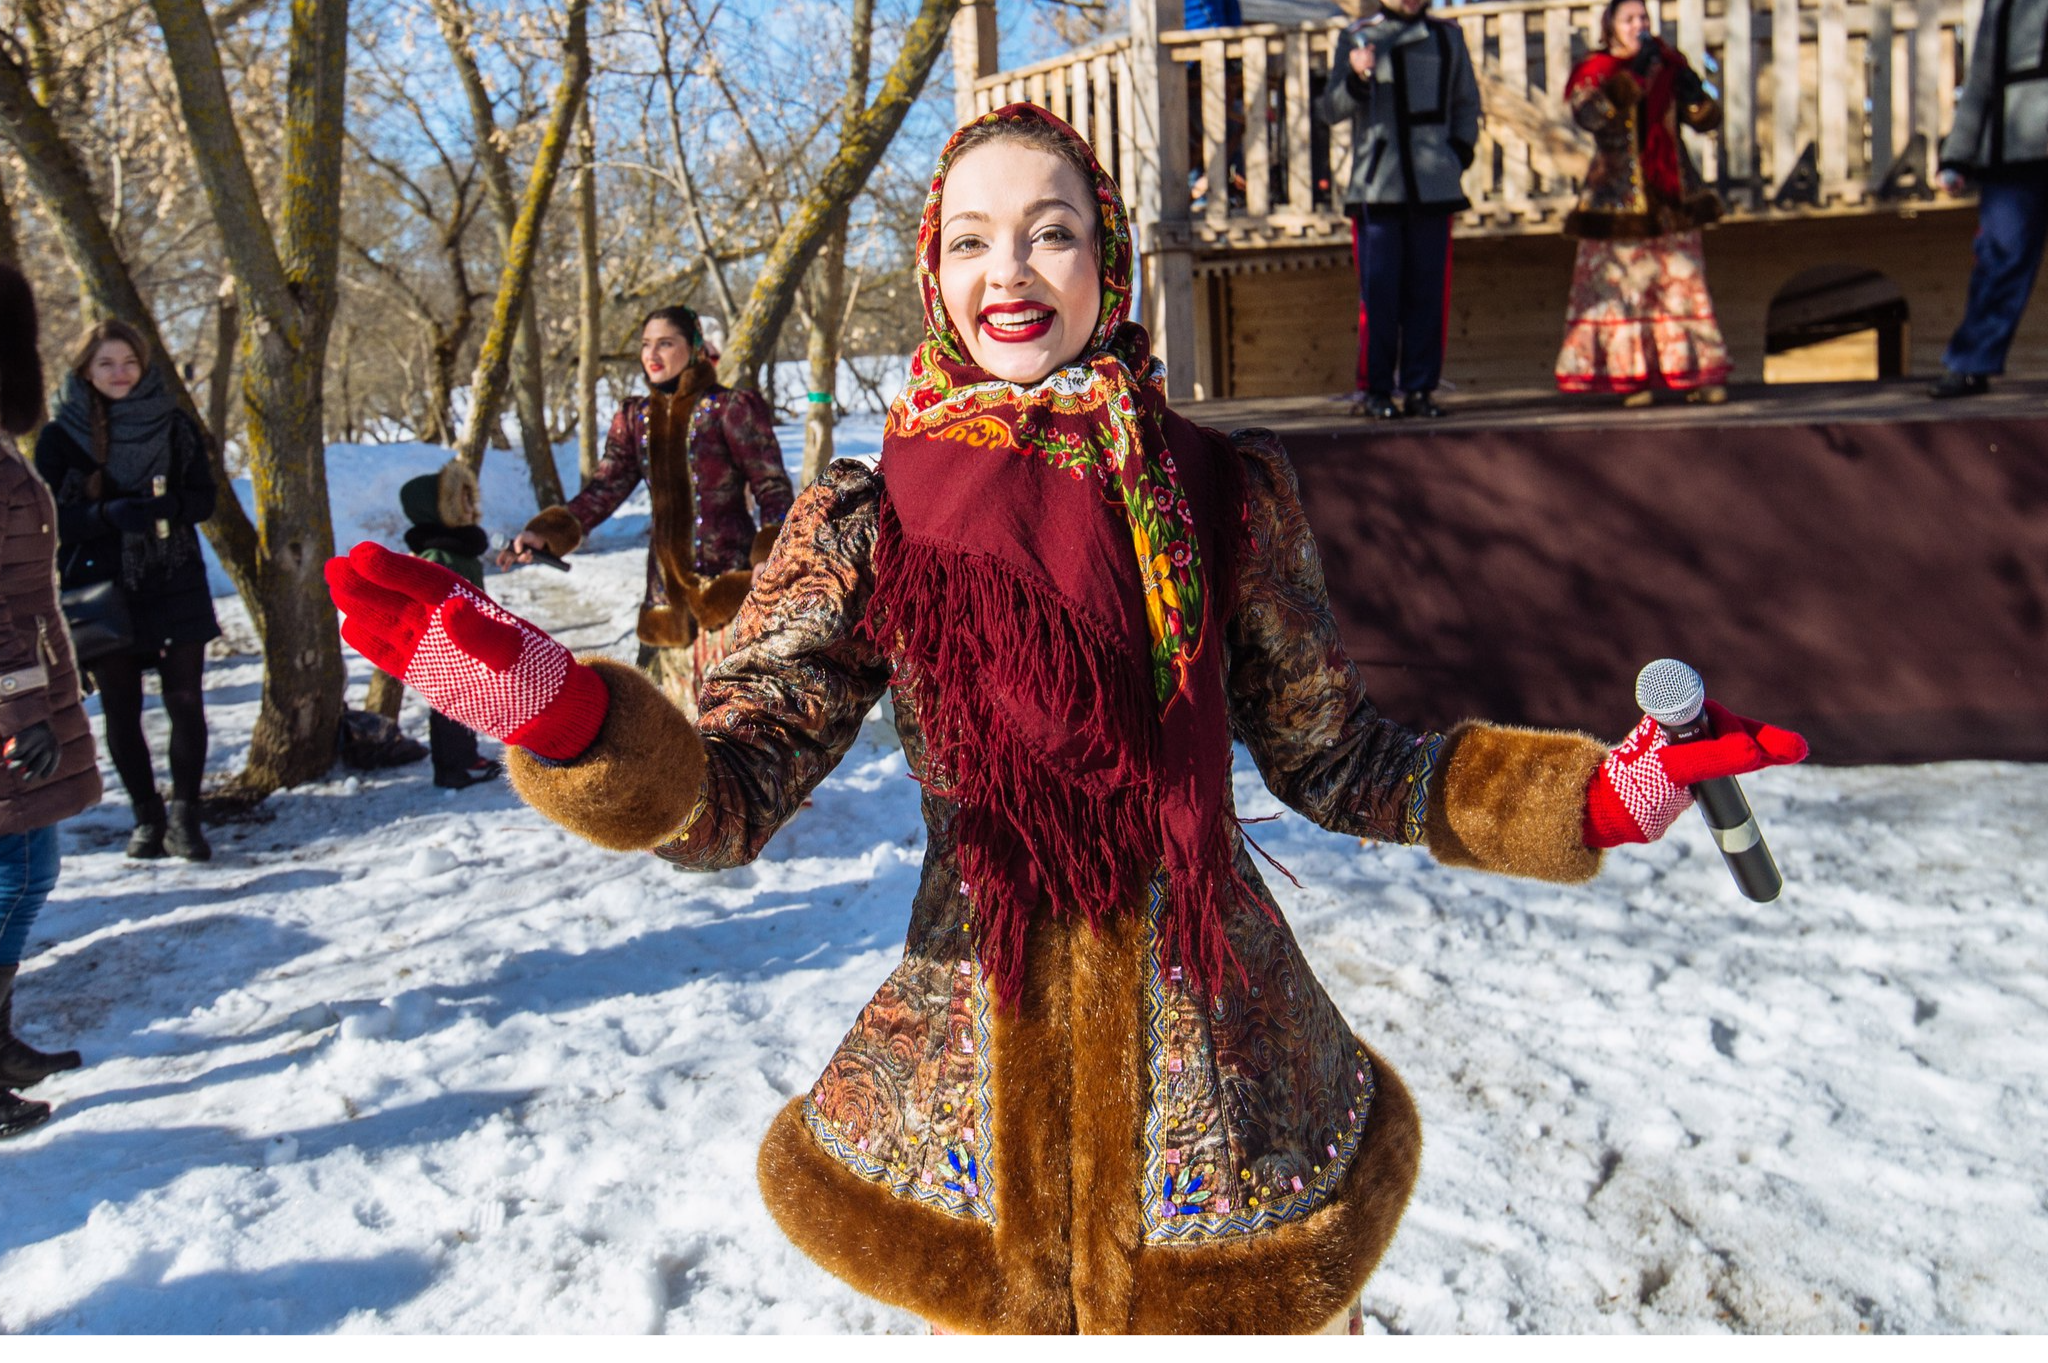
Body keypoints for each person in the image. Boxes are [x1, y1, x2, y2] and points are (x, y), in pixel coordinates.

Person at [328, 105, 1808, 1335]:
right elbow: (726, 795)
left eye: (1050, 231)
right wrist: (553, 706)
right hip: (979, 1069)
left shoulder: (1219, 487)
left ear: (1107, 257)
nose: (1010, 271)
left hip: (1217, 1077)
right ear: (931, 272)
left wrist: (1588, 799)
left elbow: (1337, 755)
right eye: (971, 239)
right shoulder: (869, 515)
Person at [498, 305, 792, 719]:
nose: (652, 354)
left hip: (730, 597)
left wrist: (769, 556)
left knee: (739, 732)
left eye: (665, 343)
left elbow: (772, 488)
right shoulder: (635, 417)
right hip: (666, 606)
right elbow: (604, 489)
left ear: (694, 348)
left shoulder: (730, 408)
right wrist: (547, 533)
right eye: (646, 344)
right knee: (671, 742)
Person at [35, 320, 219, 861]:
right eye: (107, 364)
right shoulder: (60, 434)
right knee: (121, 705)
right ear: (85, 370)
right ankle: (146, 817)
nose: (120, 373)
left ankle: (185, 818)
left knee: (185, 698)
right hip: (101, 586)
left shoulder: (173, 424)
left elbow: (204, 497)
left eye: (129, 362)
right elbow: (47, 519)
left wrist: (171, 507)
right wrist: (105, 514)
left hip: (174, 574)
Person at [0, 262, 103, 1139]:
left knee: (29, 867)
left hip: (30, 684)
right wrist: (18, 712)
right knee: (20, 873)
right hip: (10, 706)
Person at [1553, 0, 1730, 406]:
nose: (1638, 26)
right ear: (1611, 27)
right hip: (1617, 197)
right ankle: (1631, 378)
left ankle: (1696, 373)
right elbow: (1591, 117)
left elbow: (1705, 121)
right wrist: (1632, 77)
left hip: (1670, 193)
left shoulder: (1668, 64)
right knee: (1624, 290)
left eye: (1643, 18)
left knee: (1682, 286)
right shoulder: (1597, 69)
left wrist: (1693, 93)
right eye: (1629, 19)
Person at [1316, 0, 1480, 420]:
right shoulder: (1359, 36)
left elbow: (1466, 102)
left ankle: (1420, 389)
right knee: (1380, 295)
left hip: (1433, 185)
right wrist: (1356, 76)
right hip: (1378, 188)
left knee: (1428, 294)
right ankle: (1377, 390)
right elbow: (1330, 109)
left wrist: (1456, 154)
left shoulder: (1448, 37)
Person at [1929, 0, 2048, 398]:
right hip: (2013, 154)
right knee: (1999, 258)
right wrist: (1958, 155)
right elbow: (1981, 79)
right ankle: (1970, 364)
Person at [400, 460, 501, 789]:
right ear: (439, 508)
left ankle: (465, 758)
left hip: (467, 640)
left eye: (471, 498)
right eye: (462, 499)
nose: (470, 506)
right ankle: (453, 768)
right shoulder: (439, 556)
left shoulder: (457, 549)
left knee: (464, 703)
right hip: (449, 647)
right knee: (451, 706)